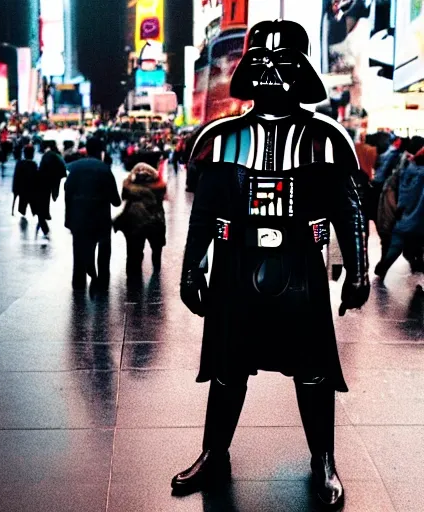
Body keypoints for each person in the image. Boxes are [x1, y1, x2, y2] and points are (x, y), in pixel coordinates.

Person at [171, 20, 370, 508]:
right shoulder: (221, 138)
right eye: (260, 63)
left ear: (301, 72)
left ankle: (322, 459)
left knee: (314, 372)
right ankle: (214, 453)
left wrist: (359, 269)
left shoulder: (326, 137)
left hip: (300, 267)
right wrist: (192, 267)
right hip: (235, 266)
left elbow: (348, 207)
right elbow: (207, 209)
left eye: (283, 65)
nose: (271, 75)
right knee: (226, 367)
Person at [65, 137, 121, 291]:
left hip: (78, 219)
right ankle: (102, 281)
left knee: (79, 252)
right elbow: (116, 200)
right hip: (100, 221)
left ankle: (79, 283)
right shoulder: (104, 169)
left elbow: (67, 194)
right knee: (103, 251)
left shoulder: (75, 169)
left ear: (87, 150)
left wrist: (68, 219)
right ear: (100, 151)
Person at [375, 146, 424, 280]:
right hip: (418, 221)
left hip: (402, 216)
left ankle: (383, 267)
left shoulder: (406, 171)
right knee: (414, 249)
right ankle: (416, 266)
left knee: (395, 247)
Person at [113, 162, 167, 275]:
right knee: (157, 250)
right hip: (155, 221)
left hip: (134, 222)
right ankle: (156, 271)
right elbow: (163, 189)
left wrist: (132, 174)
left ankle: (133, 278)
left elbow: (124, 195)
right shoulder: (159, 186)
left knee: (134, 253)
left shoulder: (128, 186)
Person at [34, 140, 67, 237]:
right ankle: (42, 225)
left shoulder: (48, 156)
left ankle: (44, 227)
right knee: (43, 206)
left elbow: (41, 170)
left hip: (42, 184)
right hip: (48, 184)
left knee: (41, 206)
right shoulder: (55, 156)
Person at [12, 144, 37, 217]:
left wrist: (15, 189)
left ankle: (23, 212)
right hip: (31, 189)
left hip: (22, 189)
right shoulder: (33, 165)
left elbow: (16, 177)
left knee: (22, 204)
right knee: (33, 204)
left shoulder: (20, 164)